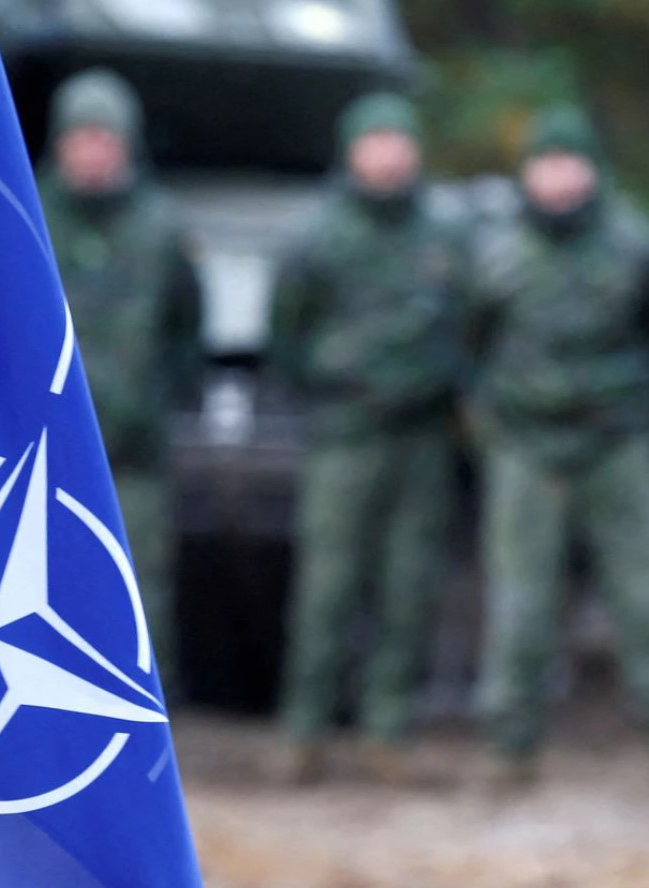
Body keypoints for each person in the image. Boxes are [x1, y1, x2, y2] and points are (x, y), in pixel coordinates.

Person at [467, 106, 649, 784]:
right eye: (546, 162)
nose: (559, 176)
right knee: (520, 599)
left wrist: (637, 409)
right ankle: (509, 748)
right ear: (527, 173)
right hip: (526, 444)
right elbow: (470, 343)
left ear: (592, 169)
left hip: (616, 440)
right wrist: (497, 417)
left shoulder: (638, 246)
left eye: (570, 162)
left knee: (645, 593)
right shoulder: (495, 253)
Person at [271, 92, 463, 782]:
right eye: (373, 142)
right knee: (326, 588)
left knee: (408, 588)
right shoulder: (317, 236)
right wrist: (331, 392)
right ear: (351, 152)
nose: (387, 156)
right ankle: (303, 731)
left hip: (421, 438)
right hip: (344, 438)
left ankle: (387, 730)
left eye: (397, 141)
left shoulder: (446, 234)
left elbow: (471, 327)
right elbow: (285, 338)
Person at [37, 69, 203, 702]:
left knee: (137, 587)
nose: (93, 153)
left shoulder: (161, 230)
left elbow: (187, 330)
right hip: (37, 455)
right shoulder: (25, 214)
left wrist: (152, 403)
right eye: (81, 138)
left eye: (105, 139)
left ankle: (140, 714)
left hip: (133, 451)